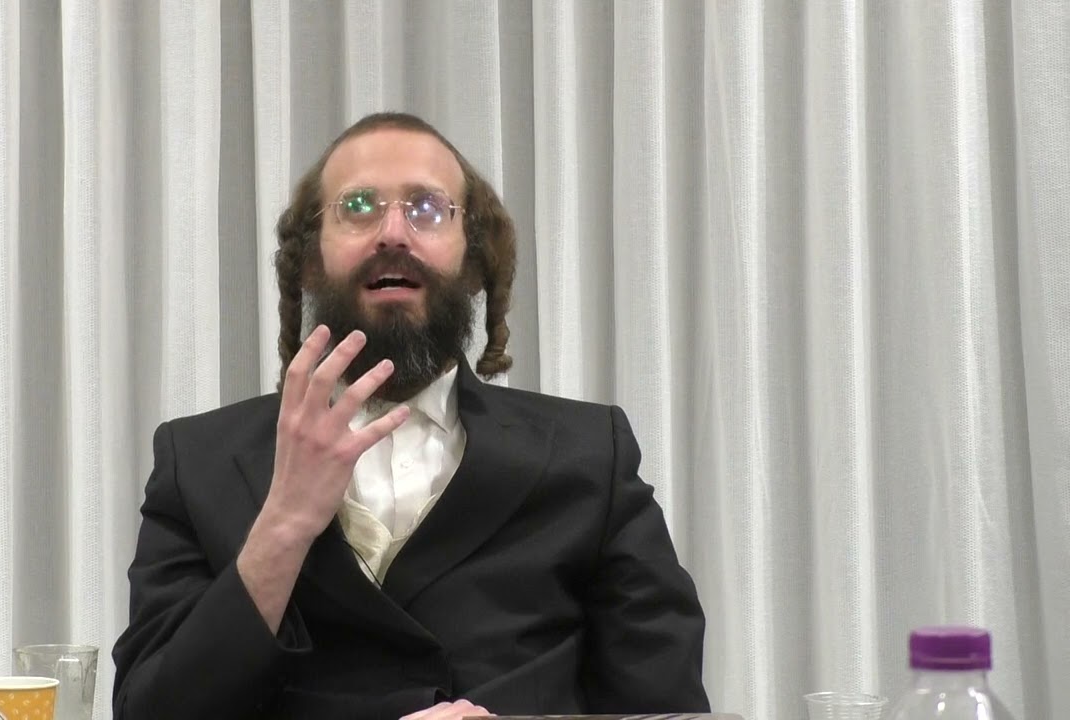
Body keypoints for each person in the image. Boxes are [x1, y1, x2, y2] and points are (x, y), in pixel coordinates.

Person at [111, 112, 710, 720]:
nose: (392, 233)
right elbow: (150, 711)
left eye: (427, 208)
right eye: (358, 206)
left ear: (473, 261)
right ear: (310, 260)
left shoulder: (591, 455)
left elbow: (671, 712)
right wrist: (284, 525)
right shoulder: (196, 462)